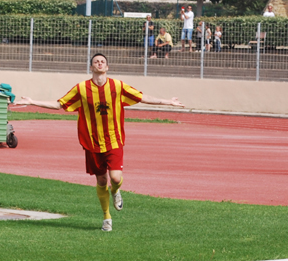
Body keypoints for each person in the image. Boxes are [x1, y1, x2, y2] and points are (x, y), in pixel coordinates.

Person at [13, 53, 184, 232]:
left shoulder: (117, 86)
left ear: (107, 67)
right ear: (91, 67)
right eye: (96, 62)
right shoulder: (81, 88)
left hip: (114, 140)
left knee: (115, 177)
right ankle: (106, 217)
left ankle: (116, 190)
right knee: (101, 180)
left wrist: (167, 102)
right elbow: (59, 104)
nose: (100, 64)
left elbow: (141, 97)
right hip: (92, 142)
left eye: (103, 62)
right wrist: (32, 101)